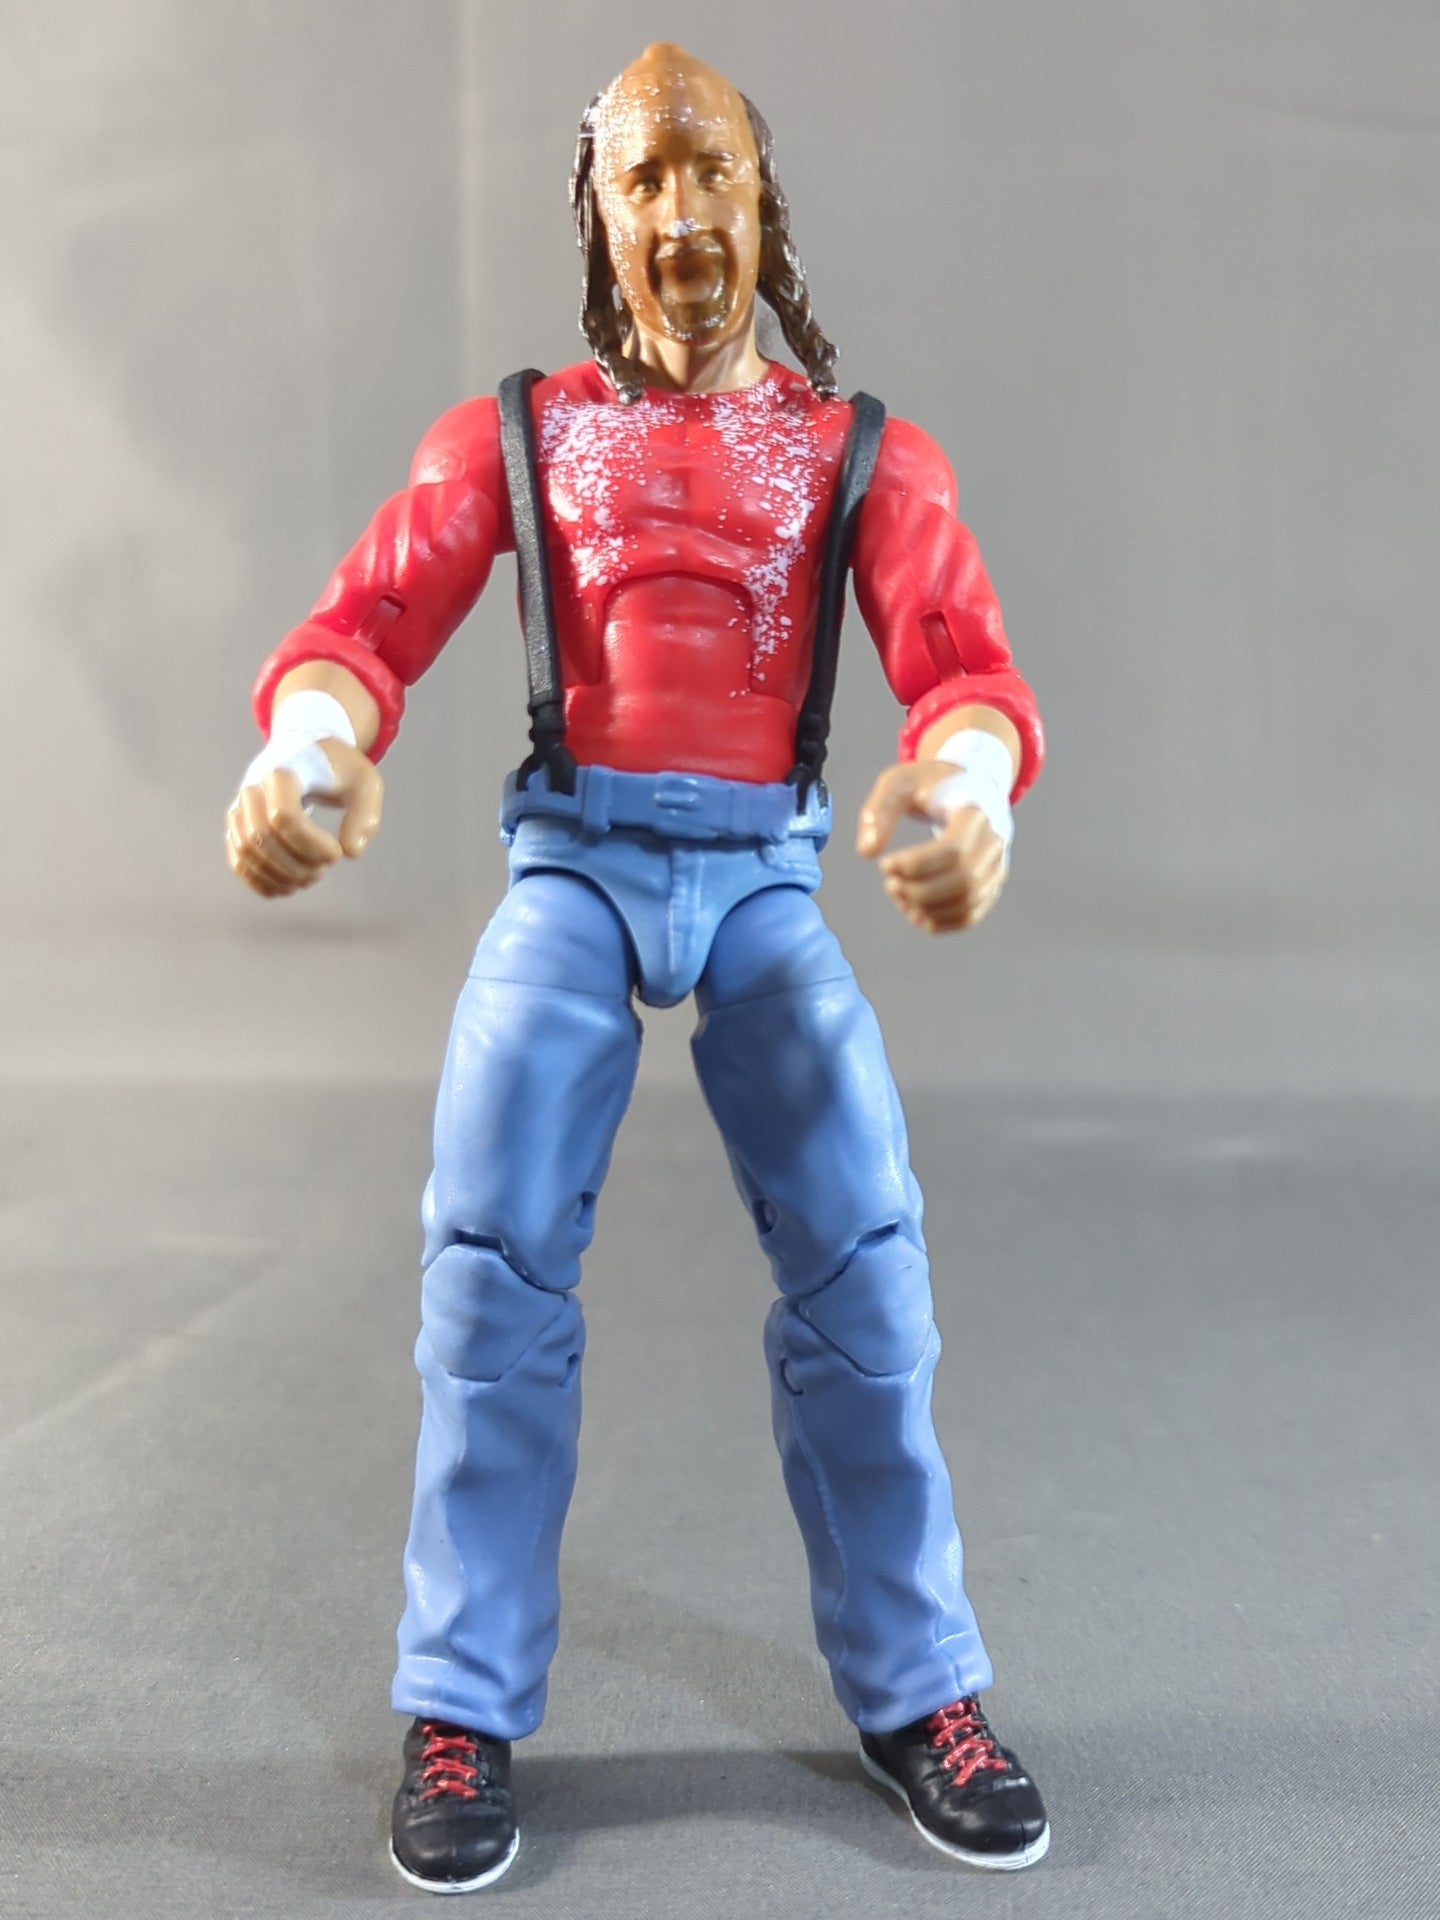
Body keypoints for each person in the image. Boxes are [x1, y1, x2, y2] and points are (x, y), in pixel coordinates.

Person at [227, 41, 1050, 1893]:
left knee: (867, 1255)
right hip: (577, 869)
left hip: (761, 882)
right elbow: (367, 621)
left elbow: (962, 663)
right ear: (598, 214)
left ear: (765, 198)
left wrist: (968, 790)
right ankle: (459, 1700)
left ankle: (921, 1684)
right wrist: (305, 752)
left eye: (712, 174)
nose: (683, 217)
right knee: (490, 1249)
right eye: (645, 179)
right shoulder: (516, 437)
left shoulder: (855, 454)